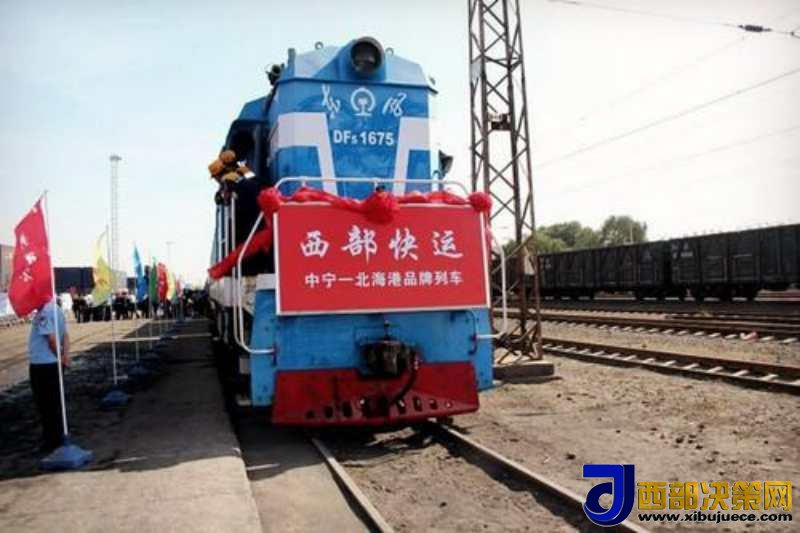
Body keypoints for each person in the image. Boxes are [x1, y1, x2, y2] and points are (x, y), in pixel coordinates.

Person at [29, 298, 70, 452]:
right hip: (52, 364)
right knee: (55, 403)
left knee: (45, 405)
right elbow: (65, 336)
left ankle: (51, 441)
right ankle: (56, 438)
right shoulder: (57, 310)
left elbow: (51, 340)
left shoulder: (44, 313)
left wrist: (60, 357)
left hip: (43, 365)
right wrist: (65, 356)